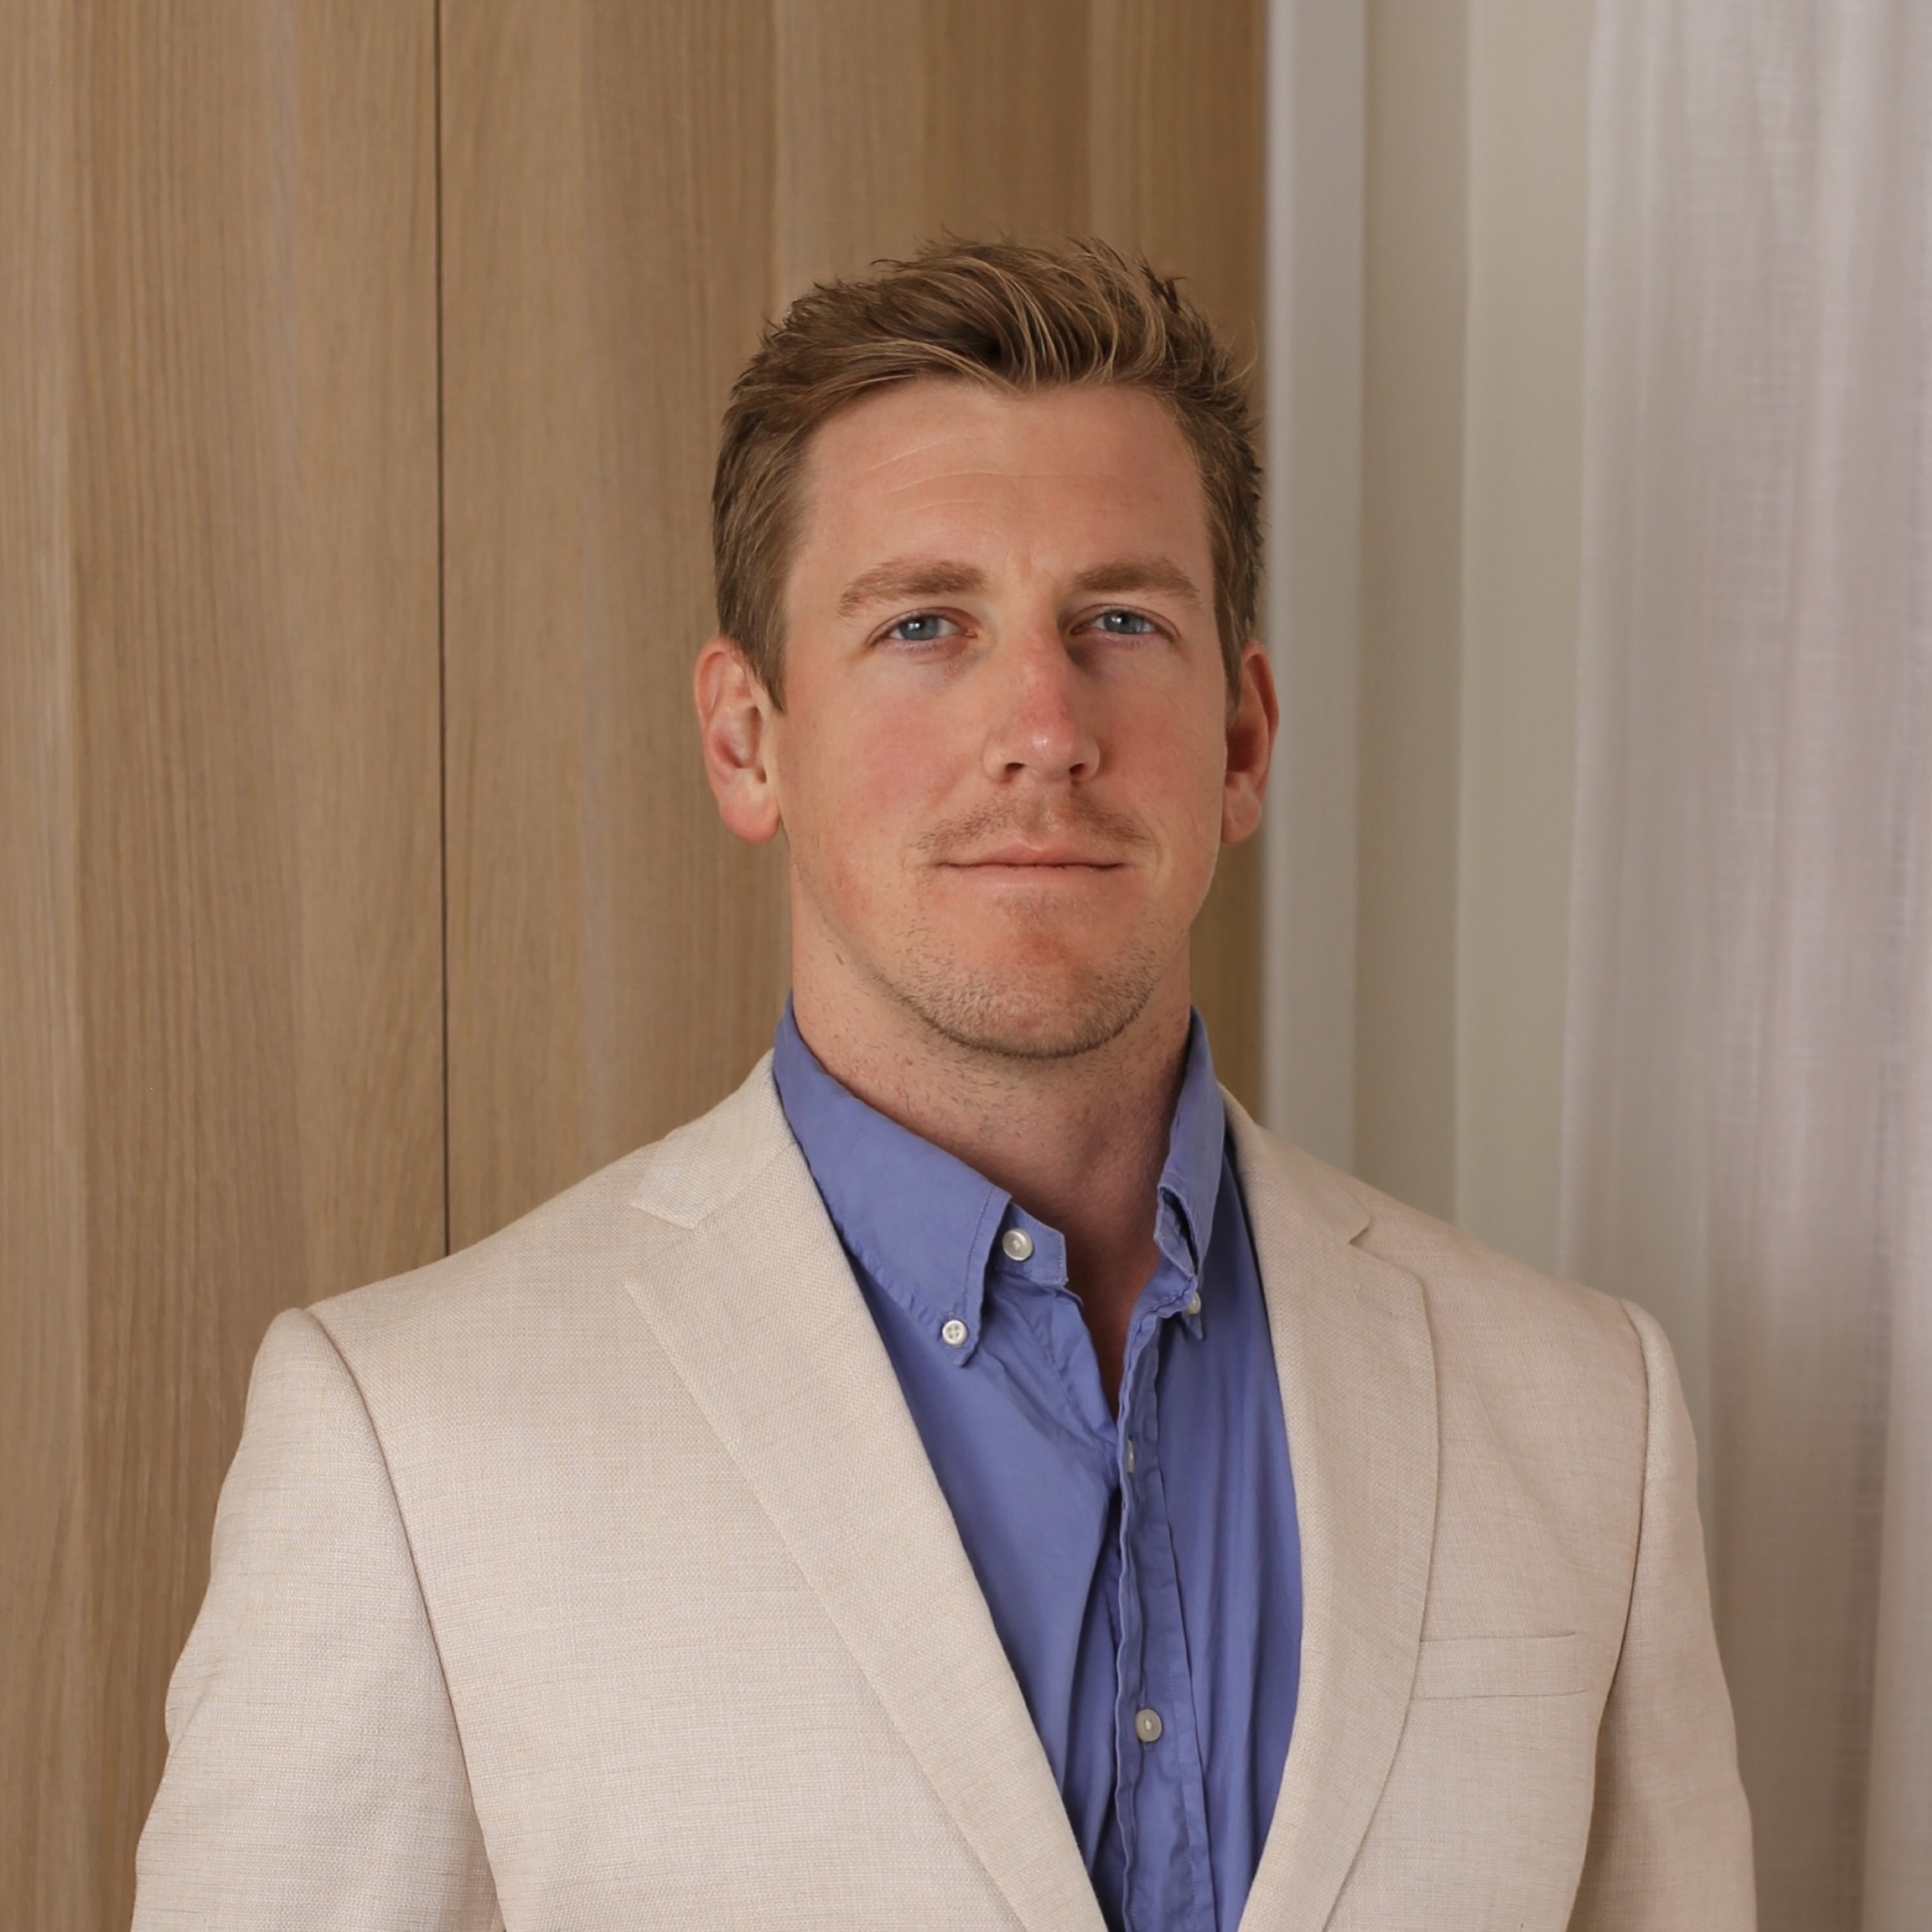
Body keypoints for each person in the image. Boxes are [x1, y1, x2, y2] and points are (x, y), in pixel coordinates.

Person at [134, 240, 1753, 1931]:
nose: (1044, 725)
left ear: (1245, 739)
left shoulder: (1586, 1416)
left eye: (1120, 621)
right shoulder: (409, 1444)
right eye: (926, 626)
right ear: (748, 738)